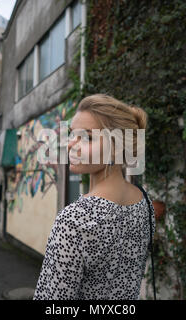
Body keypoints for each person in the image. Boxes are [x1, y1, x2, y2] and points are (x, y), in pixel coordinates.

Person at [33, 93, 155, 300]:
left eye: (87, 137)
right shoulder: (146, 204)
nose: (71, 144)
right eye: (72, 134)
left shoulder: (75, 220)